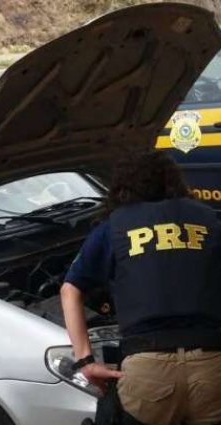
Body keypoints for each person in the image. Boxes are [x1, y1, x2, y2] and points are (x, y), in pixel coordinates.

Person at [60, 150, 221, 425]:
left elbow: (70, 290)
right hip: (211, 367)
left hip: (147, 371)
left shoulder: (113, 228)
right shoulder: (210, 219)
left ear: (122, 186)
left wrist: (86, 361)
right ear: (174, 180)